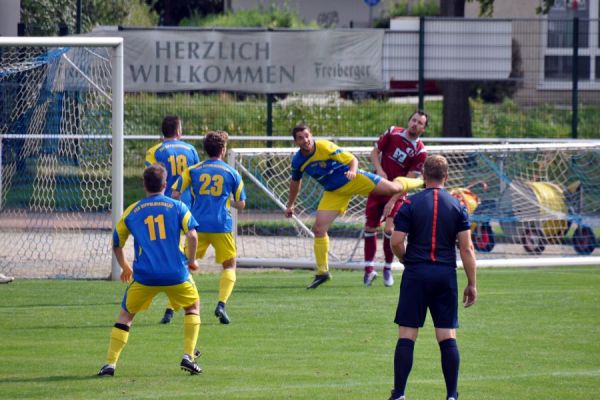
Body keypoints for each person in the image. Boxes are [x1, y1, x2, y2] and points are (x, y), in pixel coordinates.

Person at [284, 124, 425, 289]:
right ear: (295, 142)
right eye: (300, 138)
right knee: (319, 229)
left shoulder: (323, 146)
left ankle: (422, 181)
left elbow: (352, 159)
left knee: (393, 188)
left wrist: (352, 171)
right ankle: (322, 272)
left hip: (353, 179)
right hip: (334, 192)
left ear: (311, 135)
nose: (305, 140)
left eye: (307, 136)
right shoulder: (297, 161)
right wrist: (290, 205)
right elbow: (295, 182)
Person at [97, 164, 203, 377]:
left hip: (145, 276)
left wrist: (125, 266)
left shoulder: (133, 210)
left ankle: (110, 363)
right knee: (192, 307)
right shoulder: (178, 206)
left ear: (144, 184)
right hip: (176, 274)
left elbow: (116, 242)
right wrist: (191, 261)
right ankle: (188, 356)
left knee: (126, 316)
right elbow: (192, 236)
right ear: (165, 184)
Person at [388, 155, 477, 400]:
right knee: (447, 335)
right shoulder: (458, 206)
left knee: (407, 334)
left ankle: (399, 395)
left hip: (416, 274)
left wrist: (405, 258)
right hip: (445, 275)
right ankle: (451, 395)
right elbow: (467, 248)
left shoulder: (410, 204)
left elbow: (396, 241)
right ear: (446, 177)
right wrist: (472, 283)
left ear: (424, 176)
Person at [171, 130, 246, 325]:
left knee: (183, 263)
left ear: (205, 150)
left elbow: (175, 193)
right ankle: (221, 304)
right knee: (229, 265)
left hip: (197, 224)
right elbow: (241, 203)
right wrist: (226, 199)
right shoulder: (232, 172)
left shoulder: (193, 170)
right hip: (222, 226)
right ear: (223, 150)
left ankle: (171, 308)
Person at [145, 115, 200, 324]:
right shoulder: (191, 151)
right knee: (180, 258)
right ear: (179, 131)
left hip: (161, 208)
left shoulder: (155, 151)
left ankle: (168, 304)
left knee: (167, 254)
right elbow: (194, 178)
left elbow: (149, 177)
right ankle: (173, 303)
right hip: (184, 207)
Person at [363, 110, 428, 287]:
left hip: (397, 194)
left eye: (420, 123)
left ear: (423, 128)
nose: (415, 124)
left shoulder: (421, 152)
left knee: (390, 230)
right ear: (409, 121)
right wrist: (379, 170)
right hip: (378, 186)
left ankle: (387, 268)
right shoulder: (392, 132)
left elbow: (409, 179)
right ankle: (368, 270)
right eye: (413, 120)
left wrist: (392, 200)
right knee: (370, 226)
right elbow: (375, 152)